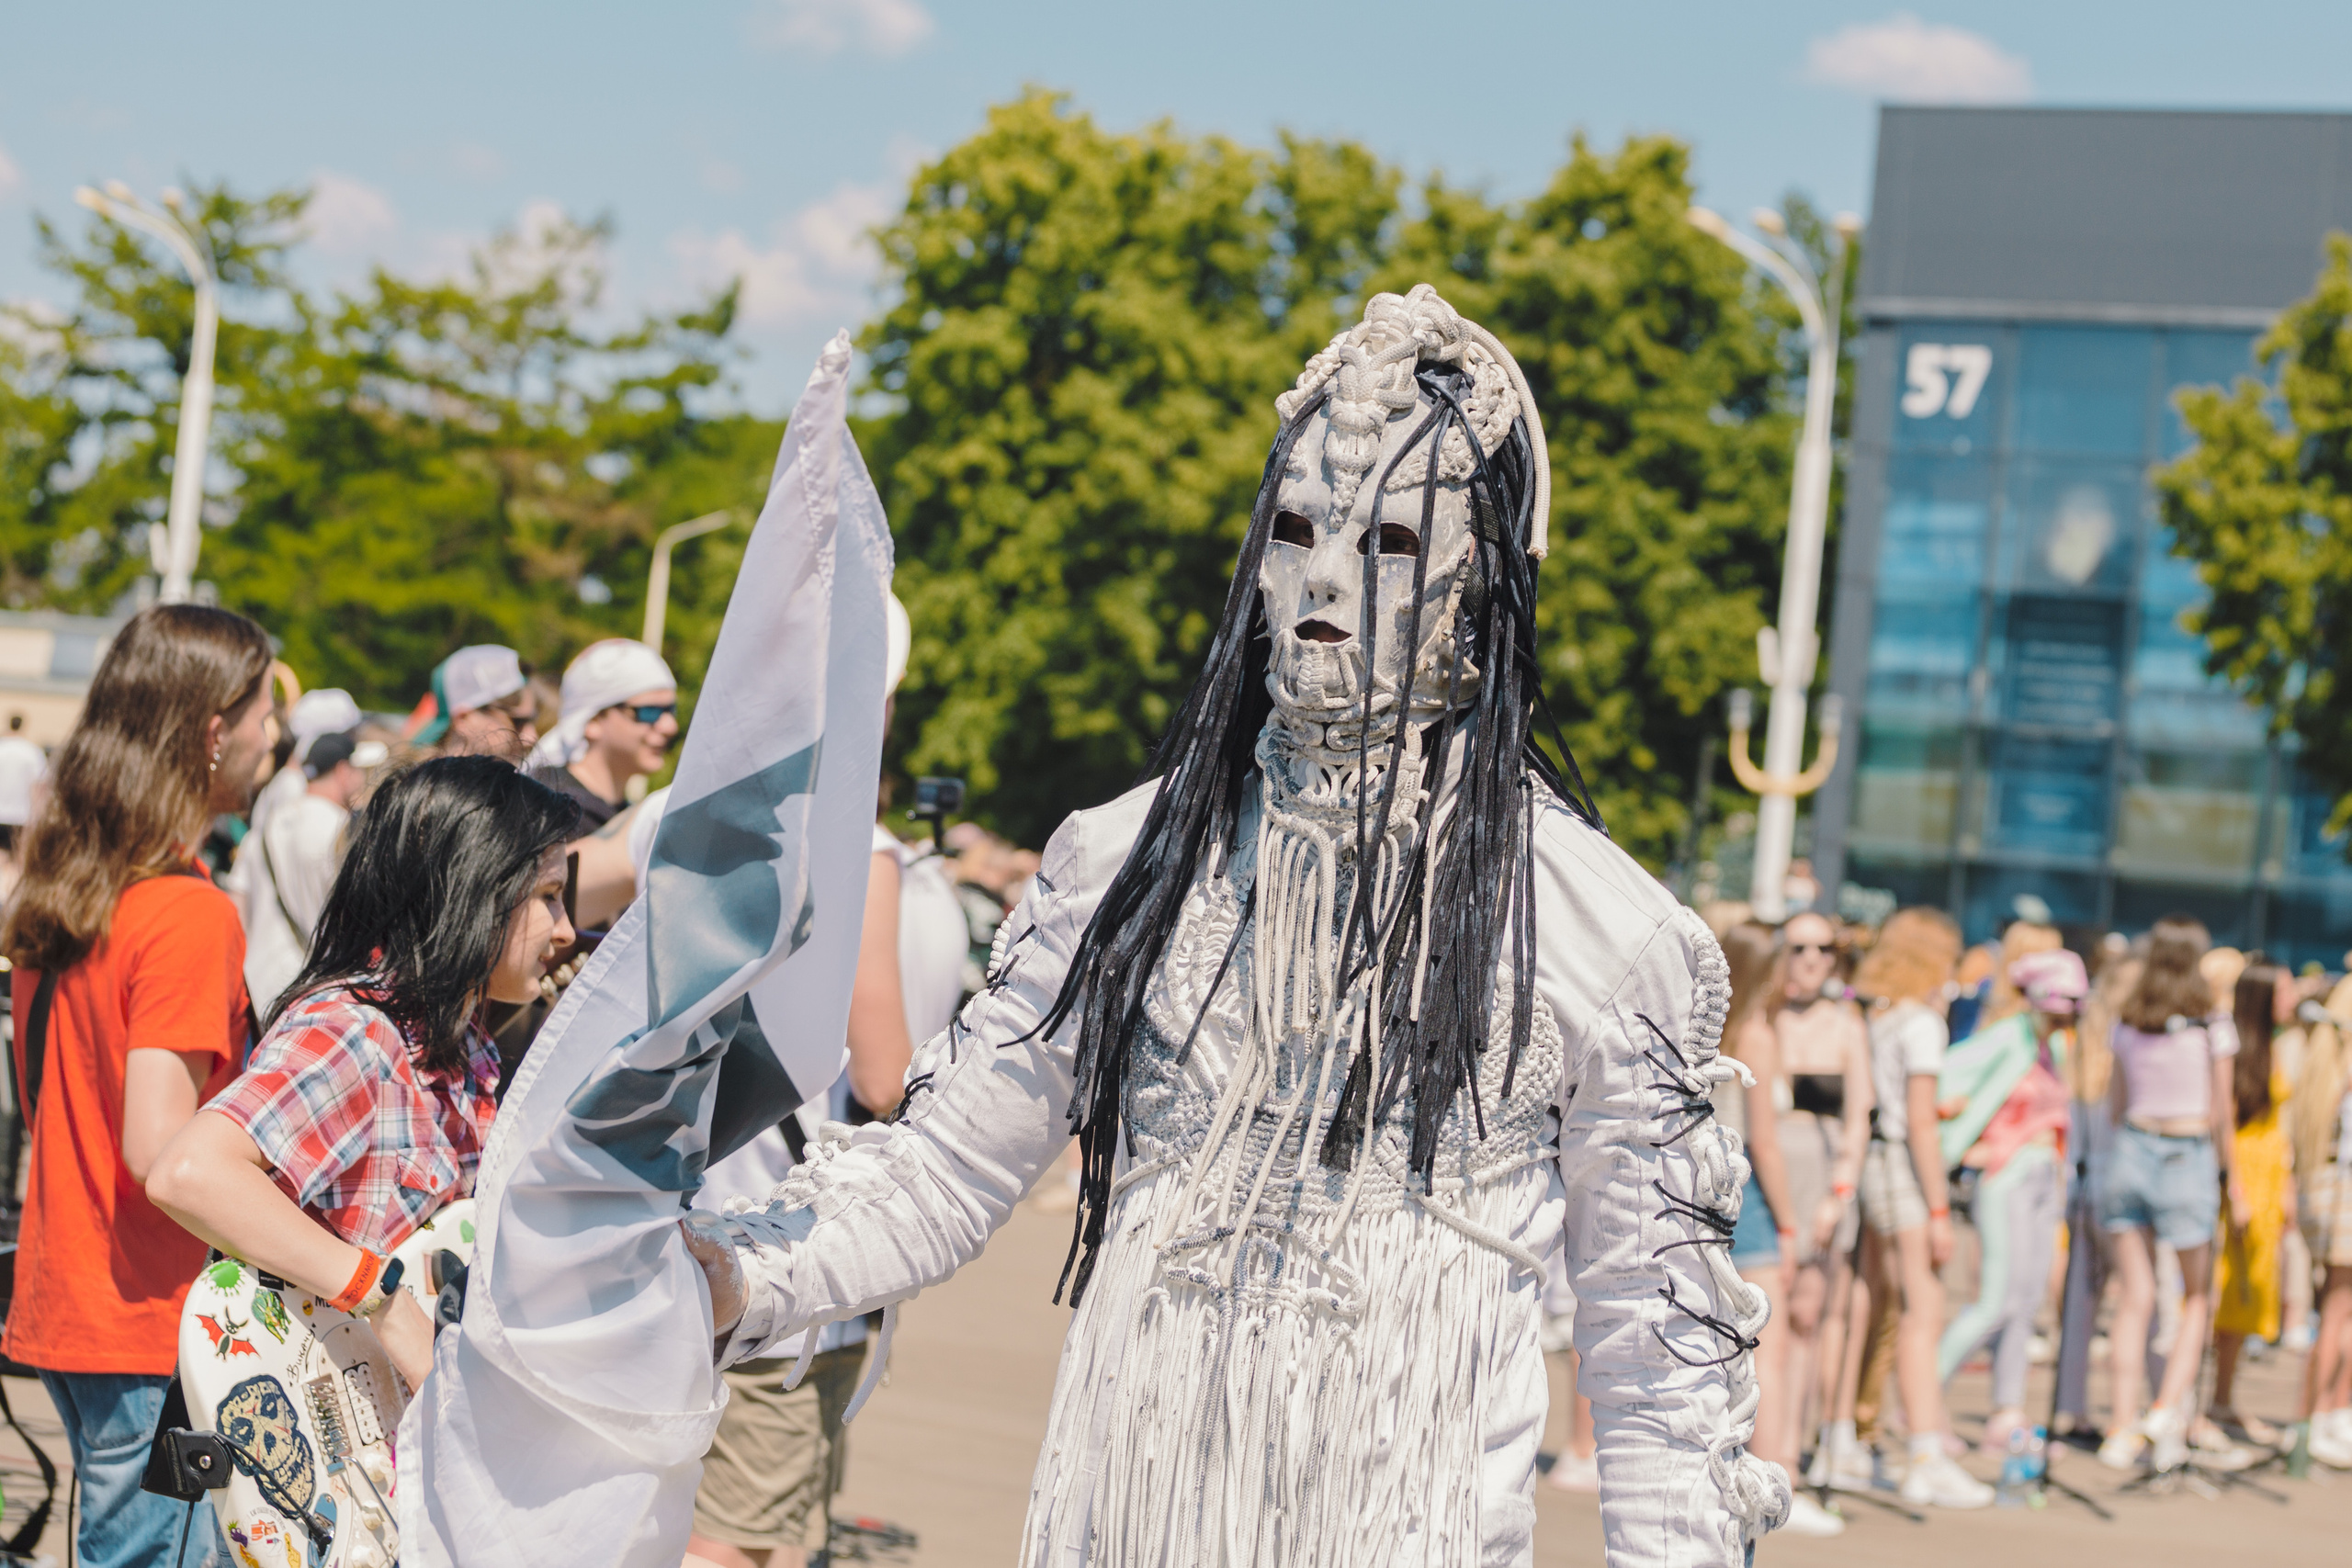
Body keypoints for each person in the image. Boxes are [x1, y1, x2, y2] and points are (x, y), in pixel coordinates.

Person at [685, 288, 1789, 1563]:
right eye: (1297, 528)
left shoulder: (1603, 928)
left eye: (1388, 542)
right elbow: (945, 1169)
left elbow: (1660, 1368)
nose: (1325, 578)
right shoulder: (1124, 862)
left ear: (1480, 581)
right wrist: (726, 1274)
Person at [684, 596, 973, 1568]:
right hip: (794, 1235)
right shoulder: (866, 855)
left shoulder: (724, 823)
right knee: (738, 1539)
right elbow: (885, 1075)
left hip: (717, 1205)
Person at [147, 757, 580, 1395]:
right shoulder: (357, 1029)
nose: (567, 929)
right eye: (548, 896)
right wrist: (380, 1297)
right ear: (474, 889)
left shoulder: (466, 1042)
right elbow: (189, 1173)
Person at [0, 604, 276, 1568]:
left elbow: (49, 1098)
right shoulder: (187, 914)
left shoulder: (73, 893)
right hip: (154, 1326)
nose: (274, 736)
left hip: (69, 1301)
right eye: (265, 713)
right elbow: (160, 1152)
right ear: (214, 731)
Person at [1840, 906, 1990, 1507]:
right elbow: (1922, 1124)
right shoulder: (1923, 1022)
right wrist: (1939, 1209)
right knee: (1922, 1310)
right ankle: (1926, 1451)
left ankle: (1845, 1434)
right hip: (1904, 1165)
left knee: (1869, 1298)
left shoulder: (1878, 1013)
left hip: (1874, 1158)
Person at [2098, 915, 2244, 1472]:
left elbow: (2116, 1105)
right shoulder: (2212, 1024)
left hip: (2132, 1149)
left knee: (2135, 1297)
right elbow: (2221, 1111)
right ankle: (2164, 1408)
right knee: (2197, 1296)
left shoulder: (2129, 1021)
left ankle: (2120, 1425)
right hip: (2186, 1153)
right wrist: (2234, 1181)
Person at [1716, 920, 1845, 1537]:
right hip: (1753, 1197)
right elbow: (1763, 1139)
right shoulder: (1758, 1033)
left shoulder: (1712, 1027)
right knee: (1775, 1346)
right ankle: (1776, 1475)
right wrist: (1791, 1225)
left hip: (1710, 1187)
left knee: (1733, 1343)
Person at [1935, 948, 2082, 1453]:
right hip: (2007, 1177)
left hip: (2043, 1176)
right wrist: (1969, 1142)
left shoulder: (2050, 1047)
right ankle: (1925, 1400)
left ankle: (2007, 1412)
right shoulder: (2008, 1037)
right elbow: (1943, 1078)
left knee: (2025, 1301)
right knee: (1994, 1302)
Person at [234, 726, 389, 1016]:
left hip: (256, 984)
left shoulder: (265, 827)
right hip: (311, 990)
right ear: (343, 771)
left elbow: (238, 905)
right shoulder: (342, 832)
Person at [2290, 972, 2352, 1469]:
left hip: (2327, 1193)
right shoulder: (2342, 1070)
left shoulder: (2322, 1063)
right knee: (2338, 1311)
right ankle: (2318, 1416)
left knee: (2336, 1309)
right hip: (2343, 1199)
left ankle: (2328, 1414)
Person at [526, 638, 679, 829]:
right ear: (593, 720)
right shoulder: (548, 813)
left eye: (671, 710)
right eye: (650, 711)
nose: (670, 727)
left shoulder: (621, 815)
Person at [408, 644, 538, 762]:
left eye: (532, 720)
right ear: (464, 719)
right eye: (517, 723)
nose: (531, 738)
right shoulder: (423, 779)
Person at [0, 731, 49, 903]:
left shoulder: (2, 748)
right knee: (17, 863)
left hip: (1, 812)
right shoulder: (31, 751)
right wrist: (37, 814)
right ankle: (11, 899)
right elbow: (39, 786)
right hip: (21, 815)